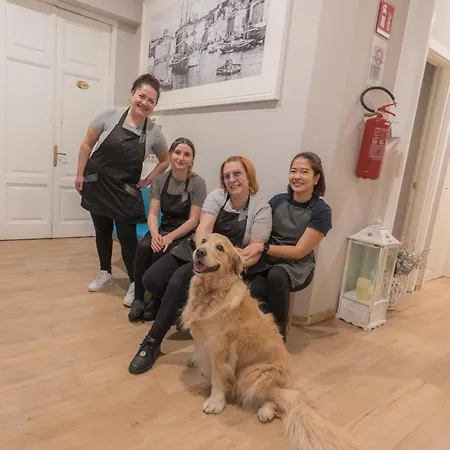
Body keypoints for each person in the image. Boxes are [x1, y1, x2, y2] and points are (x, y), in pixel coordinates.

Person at [128, 156, 272, 375]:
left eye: (237, 174)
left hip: (223, 265)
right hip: (198, 250)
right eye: (226, 176)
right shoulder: (217, 197)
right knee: (151, 280)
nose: (231, 179)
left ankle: (152, 342)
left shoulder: (261, 208)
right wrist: (203, 252)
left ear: (249, 176)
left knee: (179, 280)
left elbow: (253, 251)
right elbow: (203, 229)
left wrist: (226, 260)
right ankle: (182, 311)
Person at [75, 74, 170, 303]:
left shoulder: (154, 131)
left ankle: (135, 282)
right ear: (132, 94)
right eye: (142, 96)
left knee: (128, 238)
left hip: (124, 191)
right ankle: (105, 273)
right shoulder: (109, 114)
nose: (145, 103)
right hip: (98, 184)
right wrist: (79, 174)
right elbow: (87, 143)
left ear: (155, 105)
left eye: (151, 101)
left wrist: (148, 179)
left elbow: (165, 160)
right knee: (102, 231)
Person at [243, 152, 332, 342]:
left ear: (316, 178)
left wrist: (264, 248)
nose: (297, 176)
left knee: (277, 276)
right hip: (267, 259)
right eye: (293, 171)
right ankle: (255, 337)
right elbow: (260, 229)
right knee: (255, 286)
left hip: (297, 265)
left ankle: (278, 338)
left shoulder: (321, 211)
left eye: (304, 172)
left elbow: (299, 251)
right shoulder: (278, 201)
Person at [126, 137, 207, 319]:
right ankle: (138, 297)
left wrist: (169, 237)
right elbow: (153, 214)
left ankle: (156, 300)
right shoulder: (160, 180)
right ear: (170, 154)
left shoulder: (198, 183)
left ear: (192, 159)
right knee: (144, 246)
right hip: (164, 226)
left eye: (187, 154)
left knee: (163, 249)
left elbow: (194, 220)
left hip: (185, 231)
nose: (181, 158)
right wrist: (155, 234)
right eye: (177, 152)